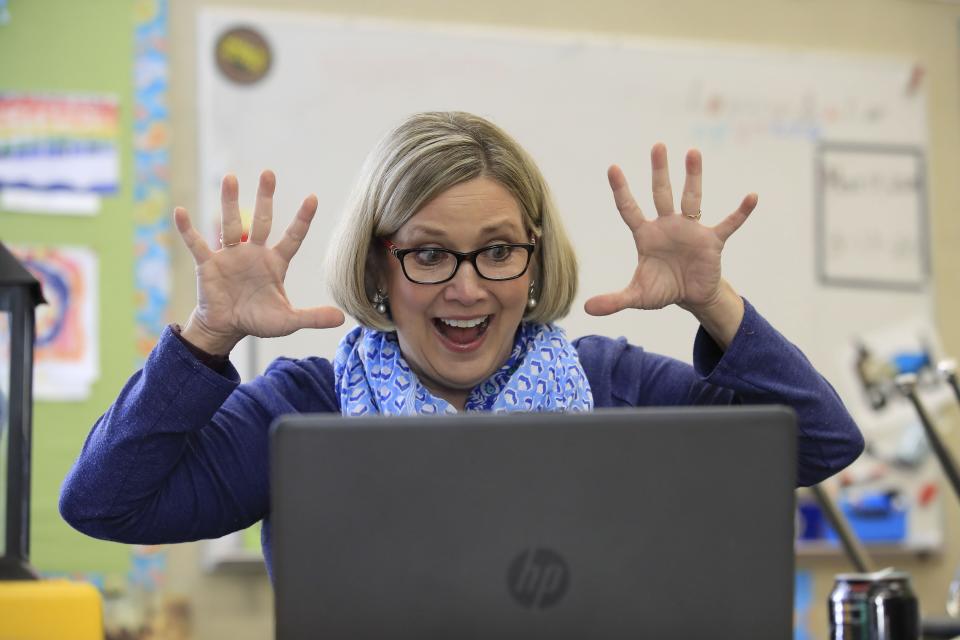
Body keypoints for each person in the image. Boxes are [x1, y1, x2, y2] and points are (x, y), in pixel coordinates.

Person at [59, 111, 863, 578]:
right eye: (430, 253)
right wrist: (208, 335)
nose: (468, 287)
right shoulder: (307, 407)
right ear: (381, 262)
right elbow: (103, 502)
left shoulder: (609, 385)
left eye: (499, 250)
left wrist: (710, 298)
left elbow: (821, 442)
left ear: (534, 257)